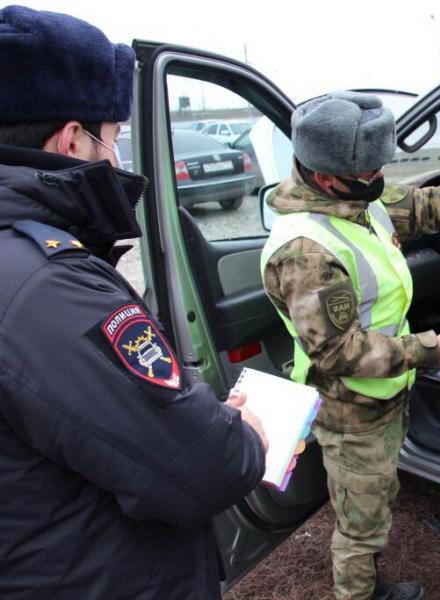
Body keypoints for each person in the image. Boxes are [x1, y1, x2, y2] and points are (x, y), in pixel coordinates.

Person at [0, 6, 267, 599]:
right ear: (72, 139)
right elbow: (205, 467)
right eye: (114, 139)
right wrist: (245, 431)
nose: (116, 161)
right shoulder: (49, 287)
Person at [260, 91, 440, 600]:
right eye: (369, 173)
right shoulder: (305, 252)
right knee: (360, 526)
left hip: (385, 391)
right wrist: (431, 350)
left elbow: (422, 206)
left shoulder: (357, 200)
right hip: (351, 408)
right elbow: (338, 352)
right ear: (324, 176)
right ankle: (359, 592)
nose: (379, 179)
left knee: (376, 499)